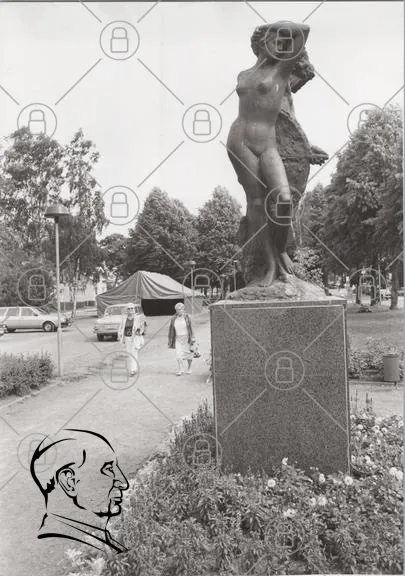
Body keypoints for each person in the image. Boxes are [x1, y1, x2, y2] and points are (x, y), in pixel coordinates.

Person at [226, 21, 311, 285]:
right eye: (275, 39)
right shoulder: (243, 75)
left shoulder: (282, 70)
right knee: (256, 203)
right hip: (239, 141)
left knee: (283, 199)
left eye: (283, 41)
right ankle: (271, 264)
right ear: (262, 42)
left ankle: (281, 248)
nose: (281, 44)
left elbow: (303, 31)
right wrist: (267, 32)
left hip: (268, 145)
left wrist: (273, 27)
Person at [30, 429, 129, 554]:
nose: (124, 483)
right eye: (108, 469)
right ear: (69, 482)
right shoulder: (70, 552)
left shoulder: (96, 539)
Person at [168, 302, 196, 375]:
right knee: (178, 355)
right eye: (177, 310)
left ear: (183, 309)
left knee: (188, 354)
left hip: (187, 337)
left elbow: (191, 328)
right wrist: (171, 338)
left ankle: (189, 368)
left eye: (180, 309)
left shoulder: (188, 317)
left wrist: (193, 337)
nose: (178, 311)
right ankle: (181, 369)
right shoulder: (173, 318)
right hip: (178, 338)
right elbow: (171, 329)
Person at [118, 302, 144, 376]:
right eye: (128, 308)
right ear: (126, 310)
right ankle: (134, 368)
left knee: (134, 353)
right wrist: (120, 335)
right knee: (129, 353)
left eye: (132, 308)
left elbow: (141, 328)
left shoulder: (137, 318)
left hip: (134, 338)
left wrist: (139, 331)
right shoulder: (124, 319)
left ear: (134, 309)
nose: (130, 310)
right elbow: (121, 328)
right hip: (127, 338)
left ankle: (133, 370)